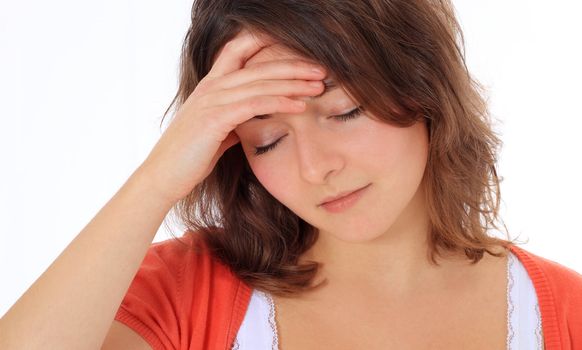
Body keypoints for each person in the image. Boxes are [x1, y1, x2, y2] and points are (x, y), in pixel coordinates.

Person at [1, 0, 581, 349]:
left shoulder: (564, 313)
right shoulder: (186, 293)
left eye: (344, 111)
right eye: (268, 139)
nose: (316, 167)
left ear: (423, 86)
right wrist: (156, 179)